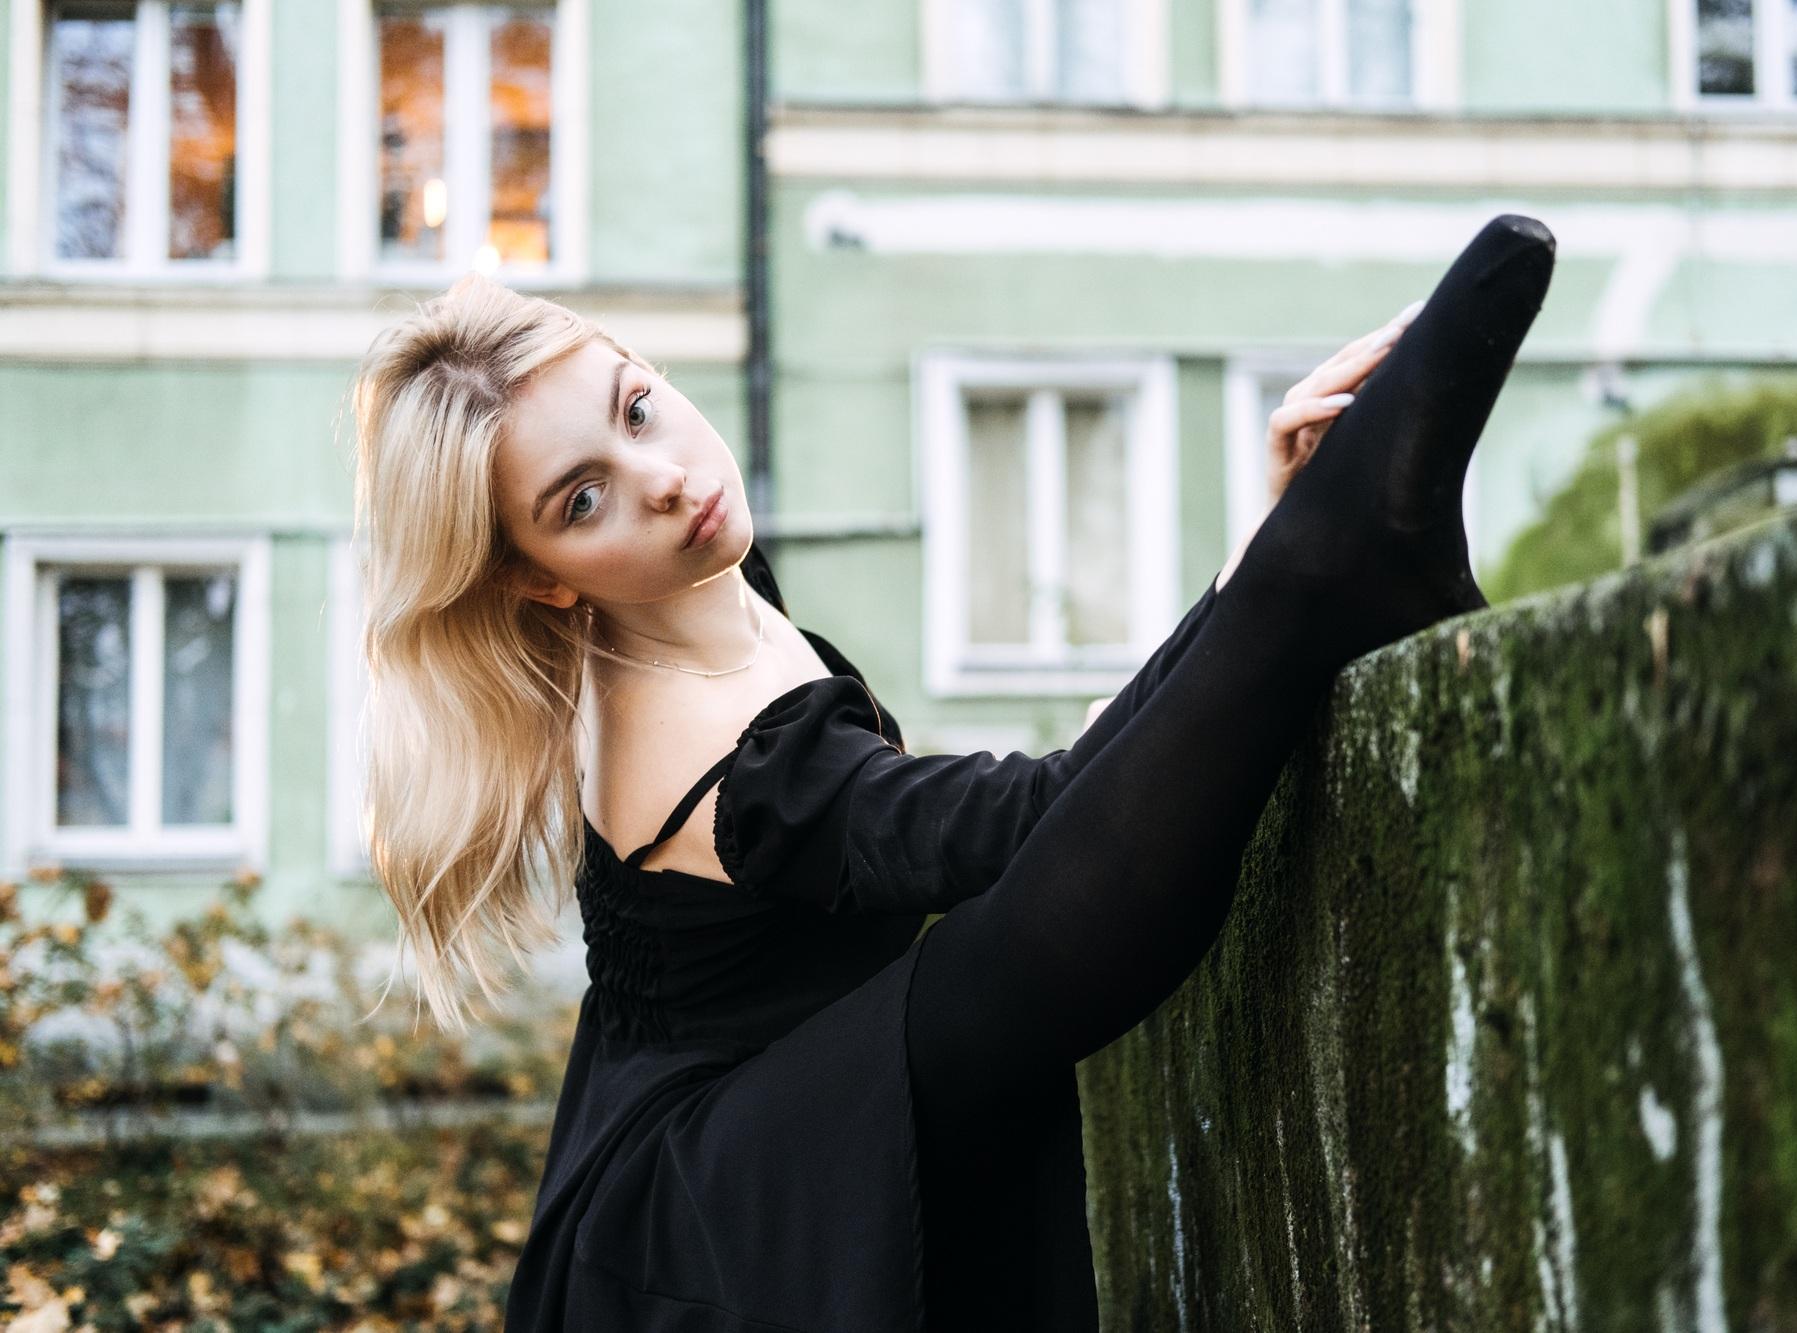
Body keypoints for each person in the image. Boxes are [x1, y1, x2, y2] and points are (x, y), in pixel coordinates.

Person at [349, 213, 1556, 1331]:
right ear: (541, 578)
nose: (659, 476)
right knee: (996, 963)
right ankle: (1333, 565)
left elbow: (1049, 794)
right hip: (703, 1229)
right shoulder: (728, 764)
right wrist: (1266, 565)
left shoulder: (692, 576)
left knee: (995, 934)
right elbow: (1040, 821)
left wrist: (1251, 555)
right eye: (583, 498)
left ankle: (1333, 564)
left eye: (637, 408)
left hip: (762, 1086)